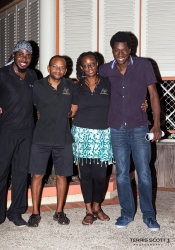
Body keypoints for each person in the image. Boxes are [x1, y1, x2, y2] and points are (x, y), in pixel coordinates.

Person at [70, 52, 148, 225]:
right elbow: (72, 111)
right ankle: (89, 210)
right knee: (86, 175)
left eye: (92, 64)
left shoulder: (108, 82)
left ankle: (97, 206)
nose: (89, 67)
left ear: (97, 64)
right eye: (86, 65)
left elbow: (125, 96)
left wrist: (143, 102)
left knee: (100, 175)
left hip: (103, 133)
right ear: (81, 68)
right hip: (82, 134)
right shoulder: (77, 86)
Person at [99, 31, 162, 231]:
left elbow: (153, 95)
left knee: (144, 172)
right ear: (112, 50)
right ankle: (126, 214)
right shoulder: (104, 70)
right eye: (116, 50)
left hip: (139, 124)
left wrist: (157, 123)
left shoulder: (143, 65)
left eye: (124, 49)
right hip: (116, 126)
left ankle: (149, 216)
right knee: (122, 174)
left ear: (130, 49)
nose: (120, 53)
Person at [27, 55, 74, 227]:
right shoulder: (37, 86)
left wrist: (72, 112)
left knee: (62, 176)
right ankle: (35, 213)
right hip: (41, 138)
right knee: (37, 175)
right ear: (48, 68)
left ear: (66, 71)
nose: (58, 70)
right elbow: (27, 105)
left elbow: (76, 103)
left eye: (62, 68)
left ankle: (59, 212)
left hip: (63, 138)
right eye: (55, 66)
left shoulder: (70, 85)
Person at [0, 40, 37, 226]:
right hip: (5, 132)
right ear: (13, 55)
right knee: (1, 172)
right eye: (21, 54)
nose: (24, 58)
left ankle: (16, 212)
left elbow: (38, 100)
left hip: (26, 132)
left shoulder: (32, 76)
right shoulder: (2, 74)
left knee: (21, 173)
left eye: (28, 55)